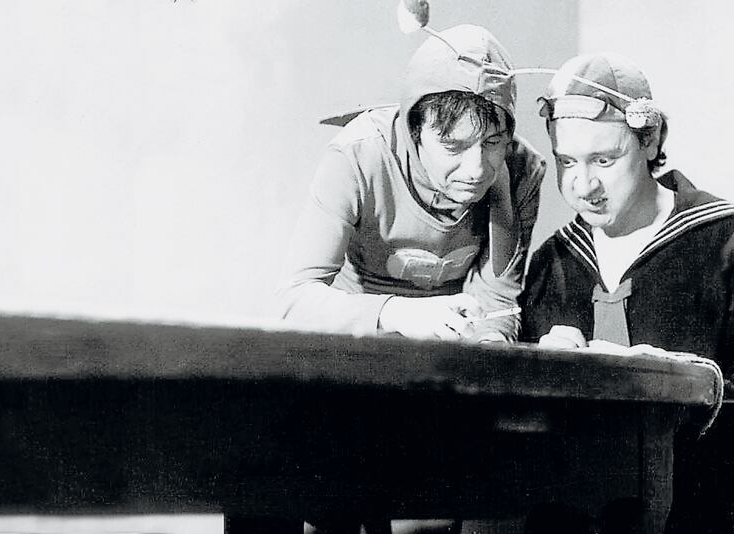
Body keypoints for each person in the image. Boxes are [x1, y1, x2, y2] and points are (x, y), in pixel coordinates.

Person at [519, 52, 734, 533]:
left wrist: (676, 379)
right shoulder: (554, 263)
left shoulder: (722, 243)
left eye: (604, 159)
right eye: (567, 161)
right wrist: (540, 372)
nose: (584, 185)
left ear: (650, 139)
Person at [276, 24, 546, 345]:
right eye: (453, 146)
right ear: (414, 131)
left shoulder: (521, 169)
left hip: (454, 347)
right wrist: (396, 313)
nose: (476, 170)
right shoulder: (357, 156)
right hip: (355, 341)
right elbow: (294, 301)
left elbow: (497, 300)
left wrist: (490, 349)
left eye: (492, 142)